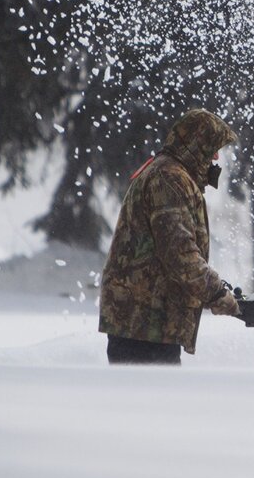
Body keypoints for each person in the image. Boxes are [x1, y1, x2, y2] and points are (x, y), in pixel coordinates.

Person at [98, 108, 241, 365]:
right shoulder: (169, 179)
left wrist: (215, 290)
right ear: (197, 144)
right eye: (212, 148)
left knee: (152, 403)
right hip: (143, 325)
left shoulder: (173, 175)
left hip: (149, 323)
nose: (216, 157)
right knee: (150, 403)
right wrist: (216, 292)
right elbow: (179, 253)